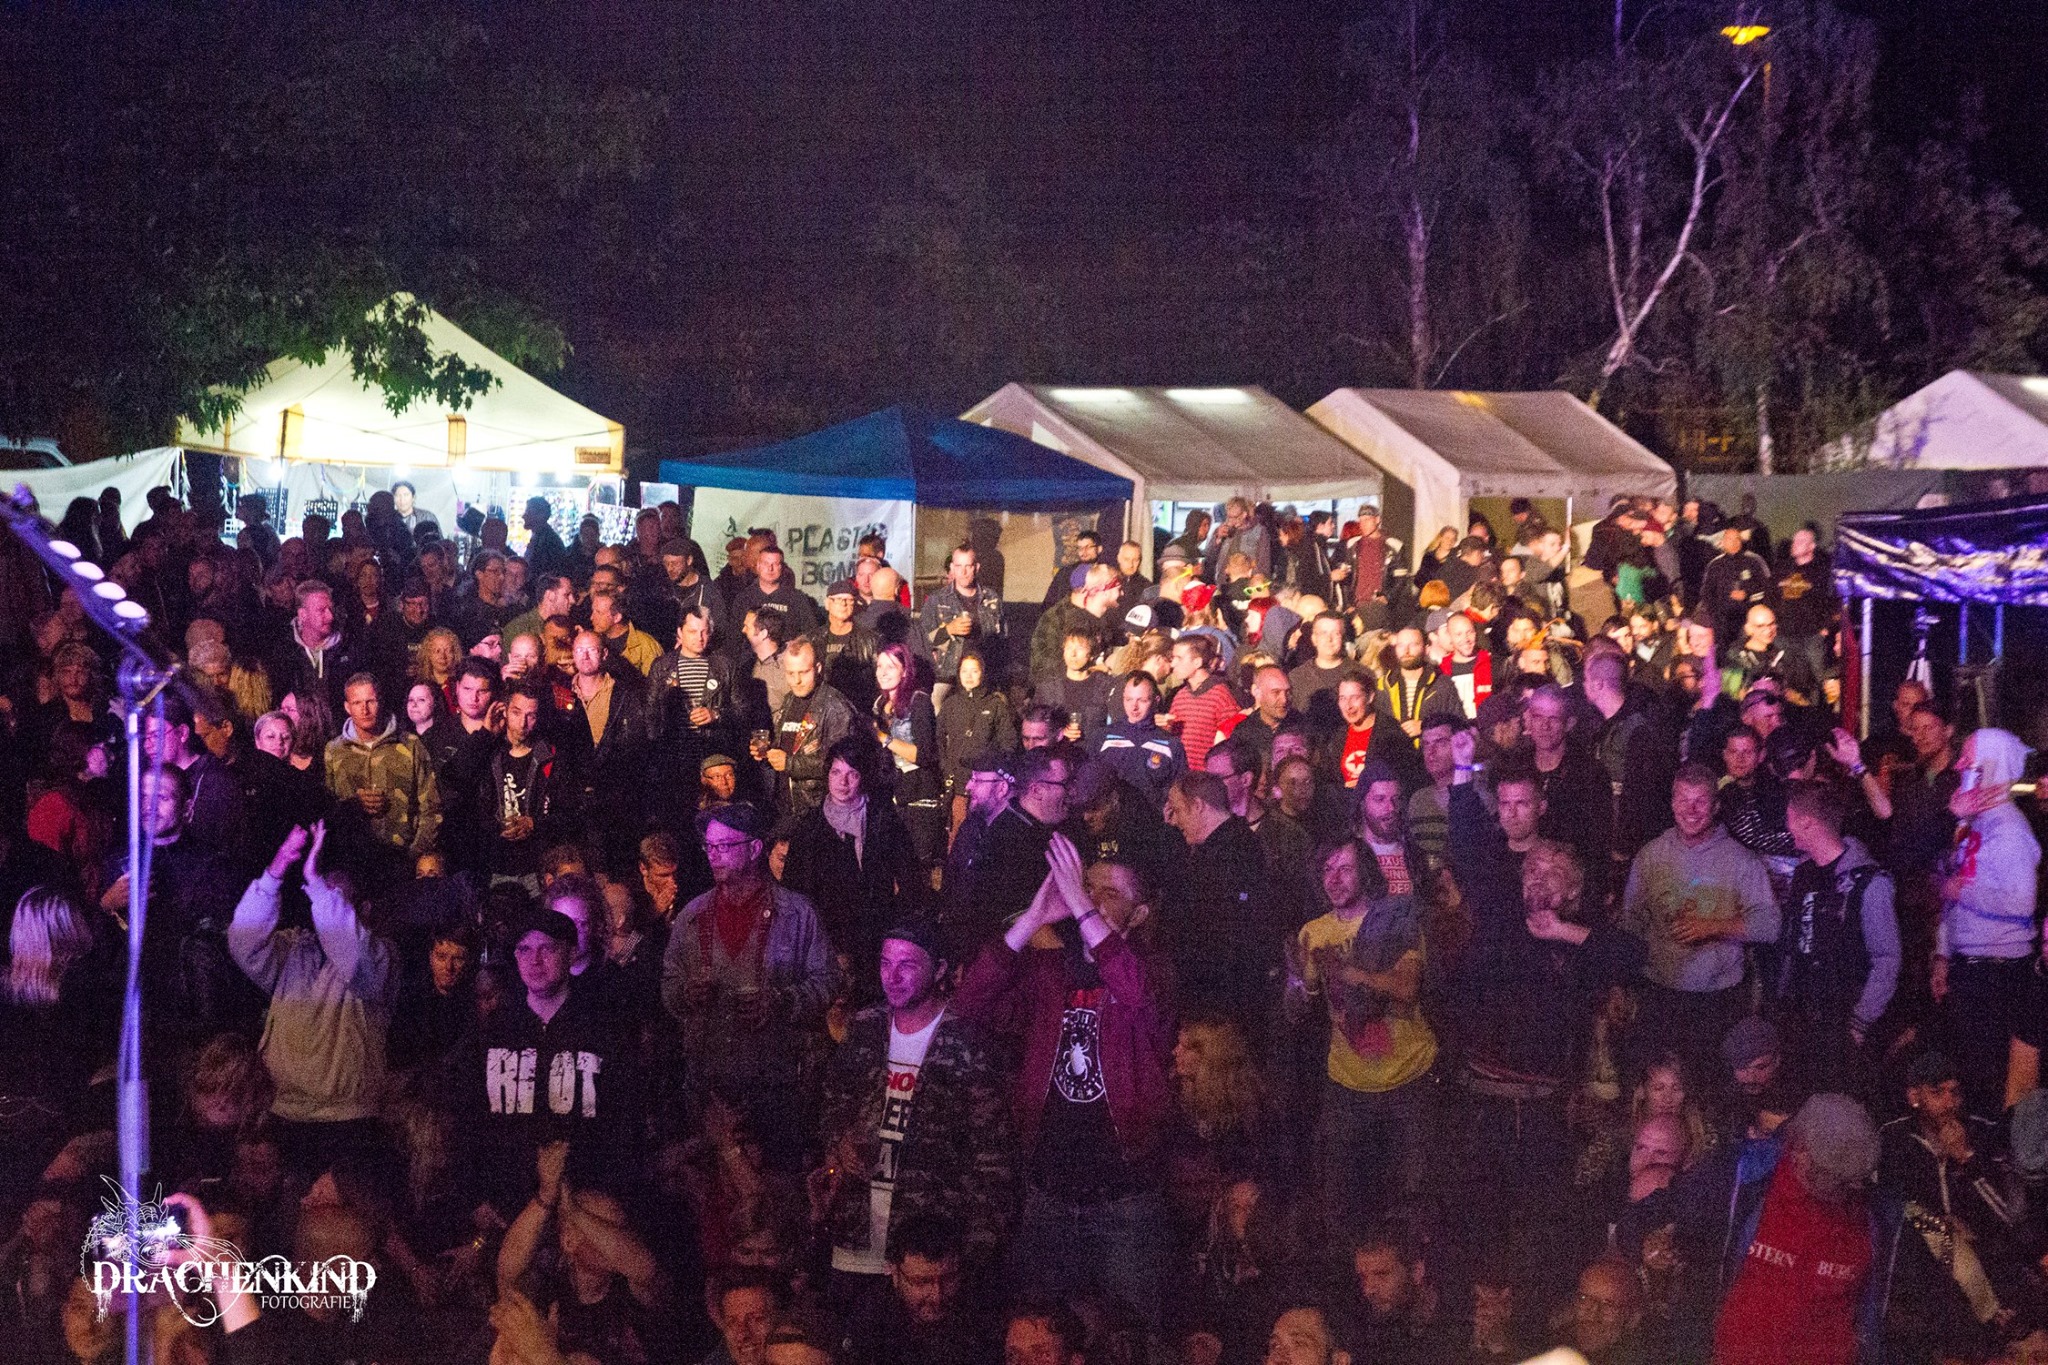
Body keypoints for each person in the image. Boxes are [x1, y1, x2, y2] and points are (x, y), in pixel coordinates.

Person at [956, 837, 1176, 1330]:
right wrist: (1032, 919)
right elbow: (970, 1005)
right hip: (1048, 1194)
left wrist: (1080, 905)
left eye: (1109, 893)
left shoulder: (1154, 971)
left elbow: (1137, 996)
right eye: (1085, 886)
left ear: (1140, 914)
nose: (1090, 898)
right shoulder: (1050, 972)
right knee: (1041, 1337)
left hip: (1126, 1200)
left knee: (1130, 1340)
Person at [816, 922, 1016, 1307]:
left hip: (929, 1245)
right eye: (885, 963)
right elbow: (834, 1103)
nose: (892, 976)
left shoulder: (966, 1041)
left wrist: (976, 1246)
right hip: (858, 1230)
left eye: (907, 965)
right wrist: (840, 1145)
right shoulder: (865, 1027)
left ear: (939, 969)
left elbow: (992, 1154)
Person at [661, 802, 834, 1167]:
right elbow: (669, 982)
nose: (713, 855)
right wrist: (685, 995)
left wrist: (783, 1000)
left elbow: (827, 981)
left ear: (755, 848)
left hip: (776, 1087)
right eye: (709, 846)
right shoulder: (692, 916)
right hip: (708, 1086)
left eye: (724, 846)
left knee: (775, 1189)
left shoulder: (797, 914)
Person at [228, 821, 398, 1181]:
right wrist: (276, 871)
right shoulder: (294, 948)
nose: (322, 908)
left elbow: (352, 956)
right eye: (317, 898)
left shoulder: (380, 956)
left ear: (363, 909)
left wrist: (316, 884)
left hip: (350, 1119)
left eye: (335, 900)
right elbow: (242, 942)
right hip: (284, 1113)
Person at [1287, 837, 1433, 1236]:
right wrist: (1306, 984)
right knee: (1344, 1207)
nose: (1333, 879)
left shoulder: (1395, 920)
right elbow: (1297, 1012)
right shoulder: (1313, 932)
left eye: (1345, 869)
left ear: (1366, 872)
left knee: (1411, 1205)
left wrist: (1348, 972)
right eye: (1326, 870)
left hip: (1408, 1079)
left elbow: (1407, 988)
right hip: (1347, 1085)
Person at [1620, 763, 1779, 1074]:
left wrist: (1713, 927)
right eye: (1683, 800)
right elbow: (1631, 923)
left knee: (1708, 1083)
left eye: (1700, 801)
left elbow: (1770, 926)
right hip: (1658, 993)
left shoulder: (1741, 860)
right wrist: (1621, 983)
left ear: (1715, 806)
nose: (1691, 810)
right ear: (1672, 803)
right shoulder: (1651, 855)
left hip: (1717, 1000)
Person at [1933, 726, 2042, 1118]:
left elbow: (2022, 901)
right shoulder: (1974, 824)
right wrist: (1943, 954)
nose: (1959, 765)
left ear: (1989, 767)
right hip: (1972, 966)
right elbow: (1951, 890)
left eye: (1968, 758)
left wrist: (1962, 892)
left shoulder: (2010, 829)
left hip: (1997, 974)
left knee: (1988, 1078)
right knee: (1969, 1075)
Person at [1770, 781, 1899, 1091]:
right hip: (1803, 1016)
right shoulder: (1803, 874)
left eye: (1790, 818)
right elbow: (1796, 940)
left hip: (1844, 1020)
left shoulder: (1869, 883)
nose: (1787, 826)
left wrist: (1860, 1021)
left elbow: (1887, 958)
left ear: (1807, 823)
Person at [1162, 770, 1281, 1036]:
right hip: (1218, 998)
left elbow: (1228, 935)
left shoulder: (1234, 855)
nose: (1175, 820)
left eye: (1178, 810)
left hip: (1222, 1007)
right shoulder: (1223, 849)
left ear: (1198, 805)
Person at [323, 672, 443, 871]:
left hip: (401, 860)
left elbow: (431, 807)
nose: (365, 709)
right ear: (347, 707)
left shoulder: (410, 745)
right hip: (352, 863)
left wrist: (415, 854)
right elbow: (327, 809)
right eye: (357, 703)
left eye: (371, 701)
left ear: (381, 702)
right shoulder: (334, 751)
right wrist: (353, 805)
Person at [755, 638, 859, 819]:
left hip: (818, 810)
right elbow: (790, 746)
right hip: (785, 807)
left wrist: (789, 763)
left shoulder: (836, 707)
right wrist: (767, 753)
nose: (797, 681)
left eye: (803, 672)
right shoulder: (790, 699)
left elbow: (842, 765)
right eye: (790, 673)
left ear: (818, 668)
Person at [920, 543, 1005, 692]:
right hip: (948, 677)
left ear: (976, 568)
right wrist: (948, 630)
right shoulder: (937, 600)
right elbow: (923, 642)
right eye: (959, 566)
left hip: (984, 676)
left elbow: (1002, 640)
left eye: (968, 566)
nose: (963, 572)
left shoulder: (991, 599)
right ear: (952, 568)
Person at [1095, 671, 1186, 802]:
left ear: (1156, 701)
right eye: (1128, 699)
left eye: (1142, 700)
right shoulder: (1104, 737)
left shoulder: (1171, 744)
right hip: (1112, 813)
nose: (1134, 707)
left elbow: (1179, 792)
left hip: (1152, 814)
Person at [1166, 631, 1239, 772]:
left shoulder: (1221, 696)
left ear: (1197, 662)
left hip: (1206, 777)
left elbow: (1230, 743)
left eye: (1178, 658)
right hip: (1181, 775)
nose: (1173, 664)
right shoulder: (1180, 696)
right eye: (1173, 658)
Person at [728, 543, 821, 641]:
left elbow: (811, 633)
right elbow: (733, 637)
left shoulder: (796, 599)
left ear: (781, 567)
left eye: (775, 564)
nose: (770, 568)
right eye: (766, 563)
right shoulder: (744, 598)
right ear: (758, 566)